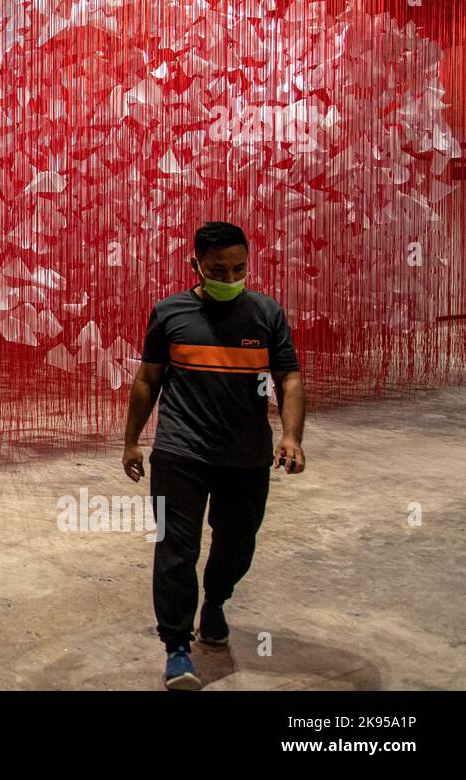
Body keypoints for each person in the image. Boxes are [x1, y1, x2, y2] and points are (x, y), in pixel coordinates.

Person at [121, 221, 306, 690]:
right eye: (217, 269)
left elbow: (289, 378)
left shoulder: (266, 313)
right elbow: (148, 380)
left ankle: (217, 600)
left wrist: (292, 436)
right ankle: (178, 647)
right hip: (180, 451)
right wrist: (131, 441)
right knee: (175, 550)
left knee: (237, 543)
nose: (229, 277)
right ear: (195, 266)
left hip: (246, 456)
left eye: (238, 268)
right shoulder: (169, 313)